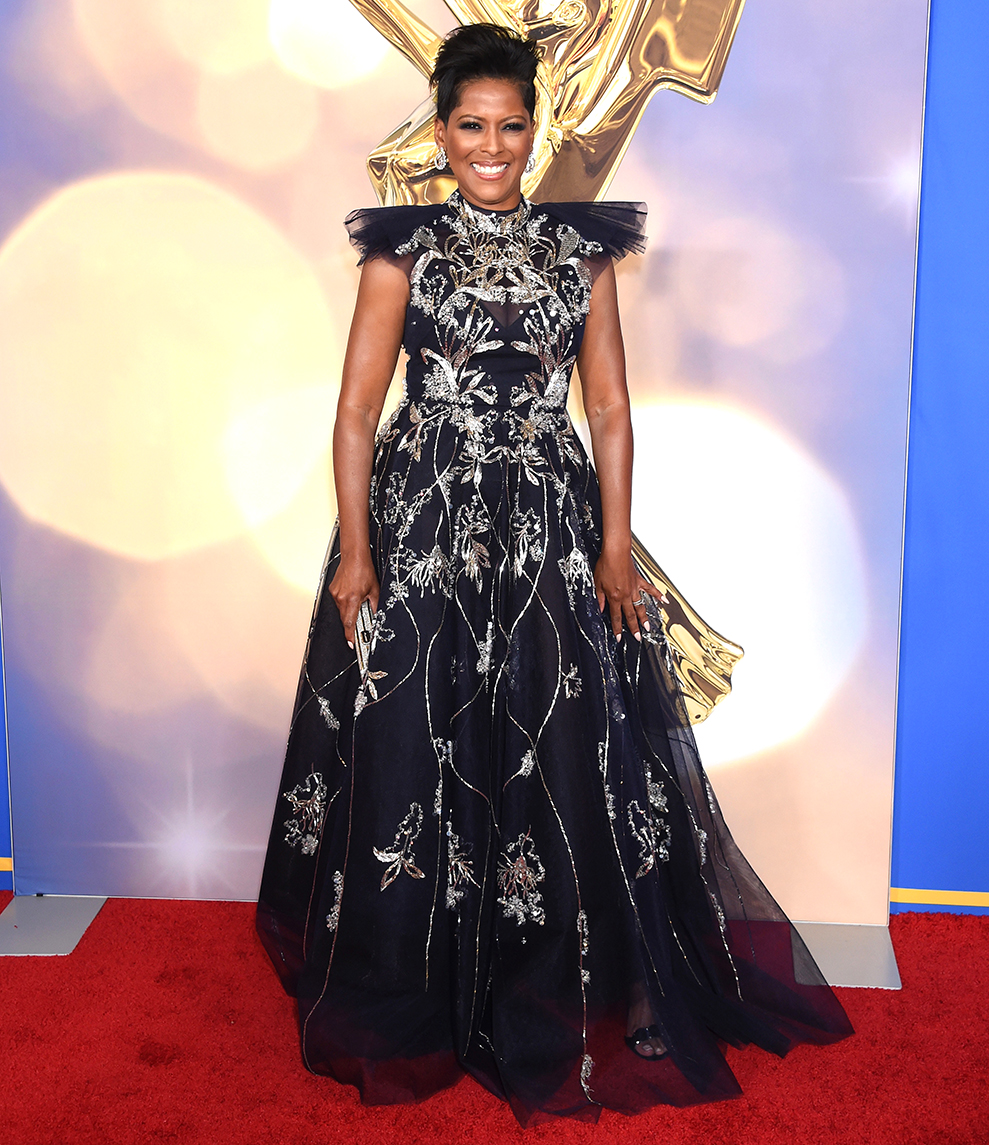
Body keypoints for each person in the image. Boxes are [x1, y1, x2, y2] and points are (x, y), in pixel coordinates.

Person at [256, 23, 853, 1127]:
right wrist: (355, 546)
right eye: (470, 126)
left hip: (546, 531)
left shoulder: (579, 250)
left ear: (536, 130)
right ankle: (420, 988)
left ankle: (542, 977)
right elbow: (353, 409)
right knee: (416, 742)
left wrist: (616, 548)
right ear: (439, 133)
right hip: (425, 524)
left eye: (511, 126)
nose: (491, 146)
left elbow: (612, 408)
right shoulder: (399, 249)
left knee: (555, 750)